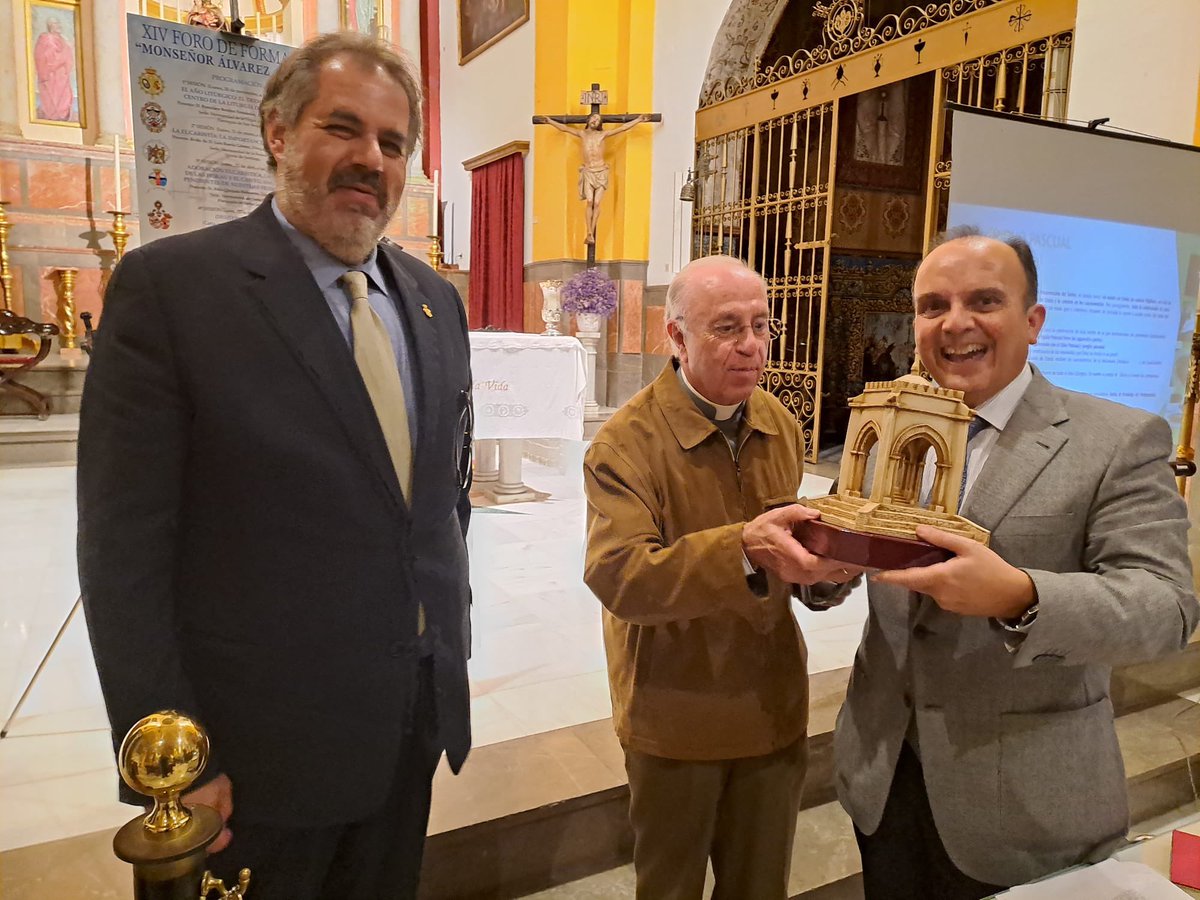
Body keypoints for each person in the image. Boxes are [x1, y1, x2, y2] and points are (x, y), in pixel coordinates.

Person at [78, 32, 473, 900]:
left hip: (407, 727)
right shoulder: (172, 292)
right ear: (277, 133)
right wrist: (174, 762)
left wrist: (445, 645)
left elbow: (441, 502)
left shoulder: (436, 303)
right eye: (342, 128)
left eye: (393, 142)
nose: (370, 159)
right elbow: (123, 557)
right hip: (260, 757)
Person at [833, 227, 1199, 898]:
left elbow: (1166, 608)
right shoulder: (895, 418)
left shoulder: (1115, 440)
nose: (956, 323)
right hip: (883, 772)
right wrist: (818, 565)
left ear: (1033, 321)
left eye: (984, 300)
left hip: (1022, 801)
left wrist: (1021, 597)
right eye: (933, 305)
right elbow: (851, 535)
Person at [583, 255, 862, 899]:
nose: (753, 346)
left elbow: (795, 569)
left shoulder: (778, 424)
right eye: (727, 327)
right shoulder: (626, 445)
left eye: (762, 325)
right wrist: (743, 549)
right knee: (671, 888)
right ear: (675, 337)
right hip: (675, 713)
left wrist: (833, 570)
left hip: (771, 707)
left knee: (759, 887)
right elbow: (621, 576)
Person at [532, 112, 650, 245]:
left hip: (601, 171)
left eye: (598, 119)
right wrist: (550, 121)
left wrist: (639, 120)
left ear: (600, 123)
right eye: (593, 118)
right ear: (588, 120)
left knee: (597, 203)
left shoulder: (603, 134)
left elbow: (623, 128)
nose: (595, 120)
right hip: (588, 171)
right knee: (589, 201)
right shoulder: (582, 134)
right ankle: (588, 231)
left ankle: (591, 232)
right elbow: (564, 128)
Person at [34, 17, 74, 122]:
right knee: (52, 95)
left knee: (64, 95)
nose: (59, 25)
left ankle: (62, 114)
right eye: (56, 23)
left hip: (61, 75)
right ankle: (53, 114)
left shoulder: (62, 39)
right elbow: (47, 57)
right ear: (51, 26)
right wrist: (65, 52)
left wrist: (67, 48)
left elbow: (66, 54)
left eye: (58, 23)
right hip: (51, 75)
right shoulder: (46, 39)